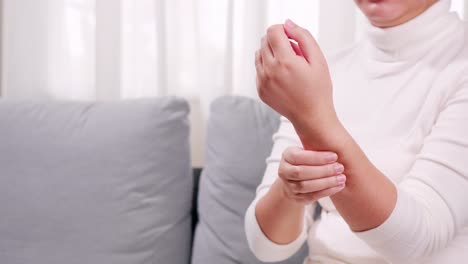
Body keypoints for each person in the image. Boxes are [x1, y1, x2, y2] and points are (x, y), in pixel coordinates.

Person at [245, 0, 468, 263]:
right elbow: (267, 248)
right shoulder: (326, 69)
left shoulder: (459, 67)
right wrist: (288, 190)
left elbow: (416, 241)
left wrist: (312, 118)